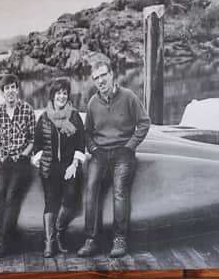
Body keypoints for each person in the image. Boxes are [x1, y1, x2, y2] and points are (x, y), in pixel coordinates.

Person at [77, 55, 150, 259]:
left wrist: (130, 146)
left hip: (123, 152)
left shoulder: (128, 97)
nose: (100, 81)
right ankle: (90, 240)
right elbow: (87, 131)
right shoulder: (92, 103)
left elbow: (144, 122)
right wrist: (93, 148)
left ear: (111, 75)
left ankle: (120, 239)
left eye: (103, 76)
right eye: (96, 78)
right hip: (100, 153)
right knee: (91, 188)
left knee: (120, 190)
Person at [31, 77, 86, 258]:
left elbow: (81, 144)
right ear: (53, 95)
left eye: (64, 93)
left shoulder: (75, 116)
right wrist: (39, 159)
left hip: (69, 166)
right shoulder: (44, 118)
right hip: (49, 167)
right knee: (51, 202)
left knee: (70, 200)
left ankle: (57, 233)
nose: (61, 96)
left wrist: (74, 164)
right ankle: (49, 244)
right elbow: (37, 144)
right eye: (58, 93)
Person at [0, 74, 36, 259]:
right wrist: (0, 156)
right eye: (7, 88)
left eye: (13, 87)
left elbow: (33, 139)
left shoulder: (27, 110)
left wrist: (23, 155)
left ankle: (4, 243)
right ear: (2, 92)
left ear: (18, 89)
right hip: (4, 160)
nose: (11, 91)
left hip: (21, 161)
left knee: (12, 196)